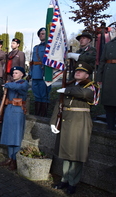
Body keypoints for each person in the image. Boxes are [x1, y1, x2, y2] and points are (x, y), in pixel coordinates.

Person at [50, 61, 96, 195]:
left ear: (87, 75)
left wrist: (67, 90)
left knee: (76, 154)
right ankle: (64, 179)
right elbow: (59, 105)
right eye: (76, 70)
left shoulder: (91, 86)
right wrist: (53, 122)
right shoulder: (69, 85)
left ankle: (73, 183)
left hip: (79, 122)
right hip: (66, 121)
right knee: (66, 153)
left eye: (81, 71)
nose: (78, 72)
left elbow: (85, 94)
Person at [0, 66, 29, 170]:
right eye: (13, 73)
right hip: (9, 109)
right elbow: (4, 99)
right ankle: (10, 158)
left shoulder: (23, 83)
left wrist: (7, 84)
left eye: (16, 73)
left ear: (22, 74)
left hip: (18, 110)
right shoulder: (11, 84)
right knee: (9, 136)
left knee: (16, 137)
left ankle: (14, 160)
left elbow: (19, 88)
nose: (14, 74)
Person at [29, 27, 51, 117]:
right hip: (35, 74)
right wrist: (30, 74)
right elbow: (32, 62)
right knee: (36, 95)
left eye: (44, 33)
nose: (42, 35)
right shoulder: (36, 48)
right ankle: (37, 115)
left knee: (44, 96)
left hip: (44, 74)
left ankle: (43, 116)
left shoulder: (49, 47)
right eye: (41, 34)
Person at [97, 37, 116, 130]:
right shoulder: (109, 44)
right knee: (109, 105)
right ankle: (110, 130)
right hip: (109, 76)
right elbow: (102, 61)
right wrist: (99, 77)